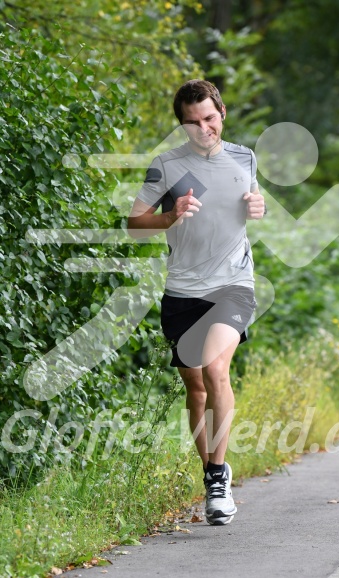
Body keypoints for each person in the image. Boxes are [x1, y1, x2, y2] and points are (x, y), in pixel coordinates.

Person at [127, 79, 266, 525]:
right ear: (181, 126)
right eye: (192, 123)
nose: (203, 129)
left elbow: (248, 206)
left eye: (209, 118)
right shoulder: (166, 167)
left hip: (233, 284)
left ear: (222, 111)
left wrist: (256, 208)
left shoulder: (245, 157)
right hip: (184, 290)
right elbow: (134, 224)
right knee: (197, 388)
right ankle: (211, 475)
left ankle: (219, 479)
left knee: (215, 369)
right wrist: (170, 215)